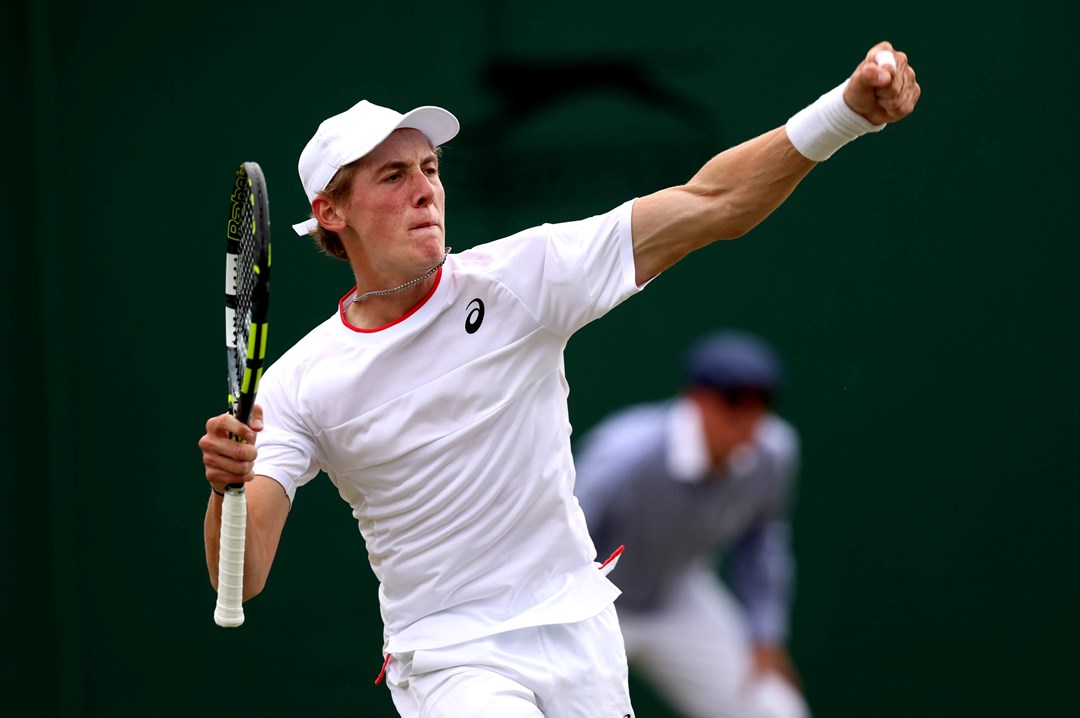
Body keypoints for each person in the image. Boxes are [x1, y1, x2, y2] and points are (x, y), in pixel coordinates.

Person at [198, 42, 919, 718]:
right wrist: (227, 486)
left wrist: (847, 112)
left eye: (430, 169)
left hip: (578, 629)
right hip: (453, 661)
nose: (425, 190)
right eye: (394, 175)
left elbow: (712, 203)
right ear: (331, 211)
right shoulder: (297, 383)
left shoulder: (521, 277)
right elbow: (244, 573)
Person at [573, 330, 807, 718]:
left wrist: (765, 632)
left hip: (680, 597)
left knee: (776, 710)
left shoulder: (774, 453)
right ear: (697, 400)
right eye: (733, 401)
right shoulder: (626, 456)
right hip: (593, 607)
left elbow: (762, 546)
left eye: (762, 404)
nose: (748, 419)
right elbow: (563, 539)